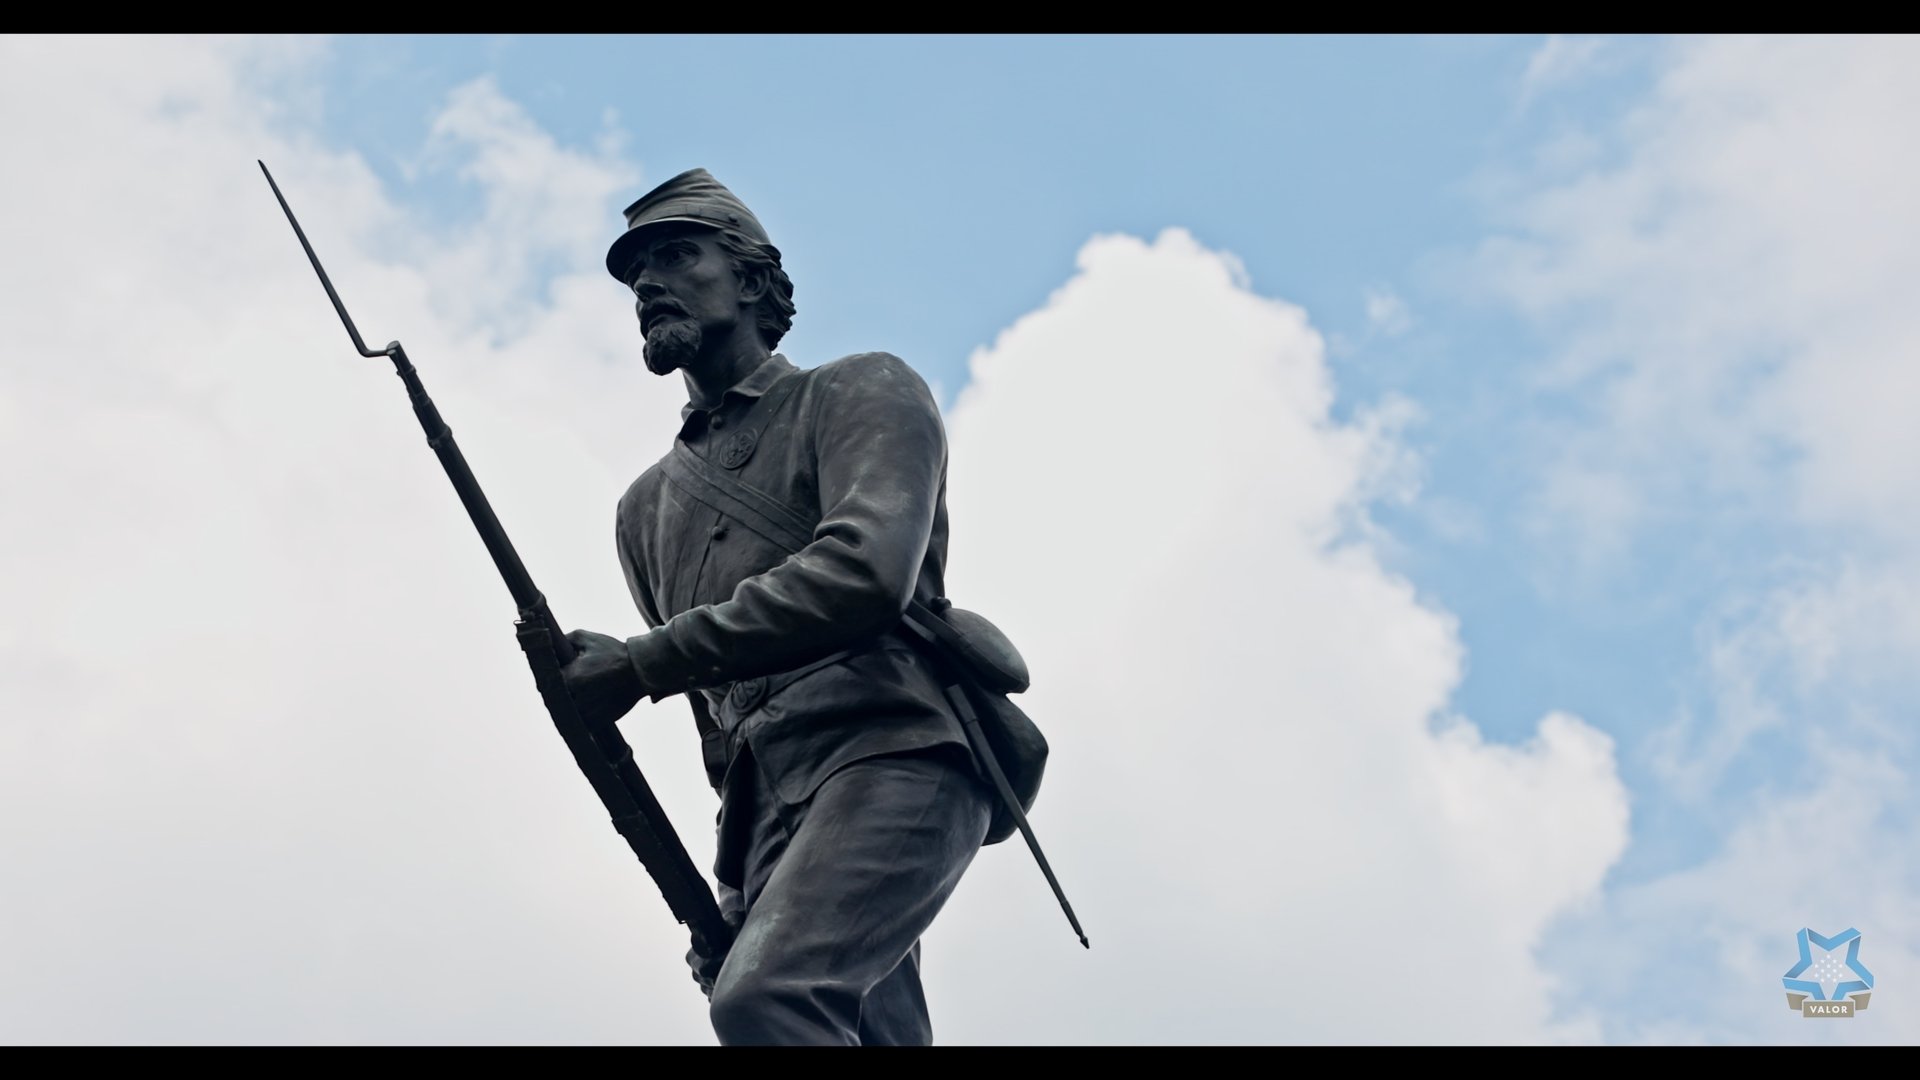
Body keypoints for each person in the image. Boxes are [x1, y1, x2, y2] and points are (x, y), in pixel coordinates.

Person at [555, 168, 997, 1046]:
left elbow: (865, 574)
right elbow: (719, 729)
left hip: (893, 750)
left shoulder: (859, 390)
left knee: (771, 1003)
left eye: (676, 255)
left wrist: (642, 662)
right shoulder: (644, 511)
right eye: (637, 273)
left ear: (753, 279)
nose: (648, 285)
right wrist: (734, 901)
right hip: (769, 818)